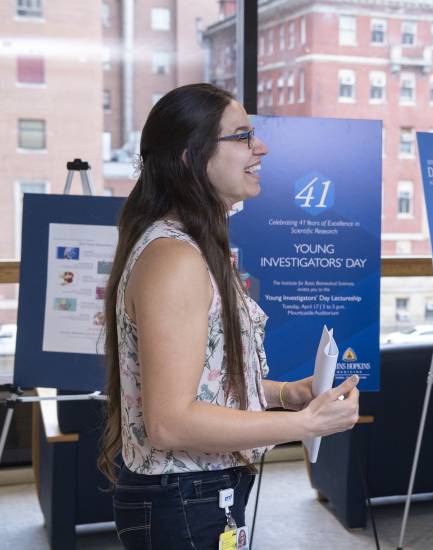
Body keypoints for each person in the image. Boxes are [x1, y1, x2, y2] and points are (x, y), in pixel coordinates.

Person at [97, 83, 360, 549]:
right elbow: (171, 422)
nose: (261, 147)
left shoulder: (190, 244)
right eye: (241, 136)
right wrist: (303, 425)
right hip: (184, 499)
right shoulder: (174, 259)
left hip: (199, 495)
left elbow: (203, 383)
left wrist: (283, 394)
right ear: (189, 157)